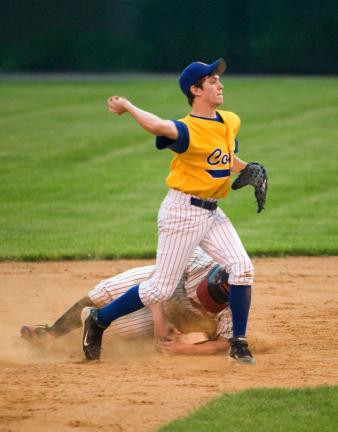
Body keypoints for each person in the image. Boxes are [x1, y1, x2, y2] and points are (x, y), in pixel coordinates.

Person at [82, 57, 263, 365]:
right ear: (195, 89)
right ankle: (99, 319)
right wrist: (128, 106)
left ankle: (238, 343)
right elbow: (156, 125)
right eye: (211, 81)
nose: (219, 84)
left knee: (242, 268)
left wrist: (250, 169)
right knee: (159, 289)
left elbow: (224, 157)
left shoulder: (229, 120)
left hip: (212, 213)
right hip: (182, 212)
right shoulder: (186, 130)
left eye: (218, 80)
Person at [21, 248, 232, 356]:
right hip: (152, 289)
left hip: (175, 318)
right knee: (105, 292)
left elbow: (223, 344)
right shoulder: (198, 260)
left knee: (127, 328)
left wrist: (183, 349)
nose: (205, 303)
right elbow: (154, 281)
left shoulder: (235, 307)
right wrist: (160, 322)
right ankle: (51, 333)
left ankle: (67, 347)